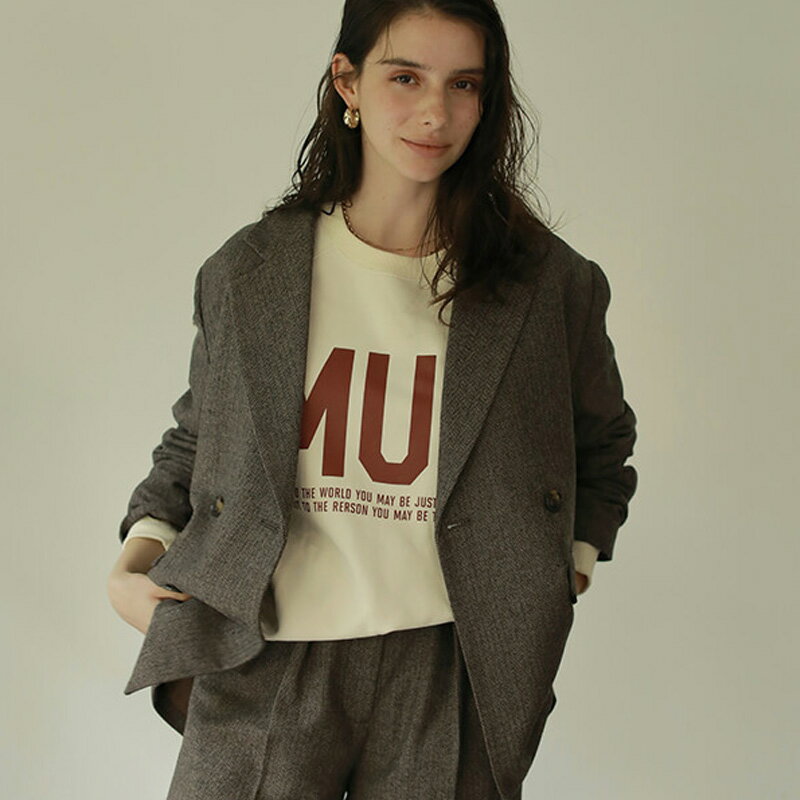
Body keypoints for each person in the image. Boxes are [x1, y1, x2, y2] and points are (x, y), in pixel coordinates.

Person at [107, 2, 638, 798]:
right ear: (347, 83)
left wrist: (562, 570)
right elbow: (198, 436)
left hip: (450, 664)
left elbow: (603, 445)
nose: (436, 112)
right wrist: (141, 547)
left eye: (464, 84)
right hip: (266, 651)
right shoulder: (250, 271)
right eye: (406, 78)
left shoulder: (546, 286)